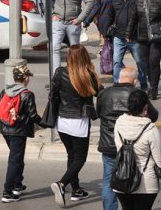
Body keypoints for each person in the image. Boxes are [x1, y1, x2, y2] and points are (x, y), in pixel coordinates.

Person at [97, 67, 159, 210]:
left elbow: (98, 113)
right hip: (131, 143)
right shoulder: (137, 94)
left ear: (119, 78)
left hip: (108, 144)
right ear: (135, 81)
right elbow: (153, 115)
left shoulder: (104, 93)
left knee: (108, 181)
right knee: (133, 176)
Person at [49, 45, 101, 205]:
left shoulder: (59, 72)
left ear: (69, 57)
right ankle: (62, 184)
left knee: (71, 155)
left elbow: (53, 94)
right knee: (79, 158)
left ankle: (76, 189)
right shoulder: (88, 74)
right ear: (85, 56)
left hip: (62, 120)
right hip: (79, 121)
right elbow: (97, 92)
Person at [0, 64, 43, 203]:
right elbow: (33, 115)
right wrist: (46, 123)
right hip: (19, 132)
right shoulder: (27, 95)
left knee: (17, 159)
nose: (29, 79)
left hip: (5, 130)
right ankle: (7, 192)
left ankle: (18, 185)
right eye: (28, 76)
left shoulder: (4, 91)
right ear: (25, 78)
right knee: (14, 161)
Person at [114, 89, 161, 210]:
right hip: (145, 182)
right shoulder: (150, 128)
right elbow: (159, 160)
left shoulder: (119, 123)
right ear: (145, 107)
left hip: (122, 179)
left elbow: (118, 147)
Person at [48, 0, 94, 72]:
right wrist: (52, 14)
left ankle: (75, 74)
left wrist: (80, 19)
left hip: (73, 23)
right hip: (57, 21)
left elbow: (90, 1)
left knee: (75, 51)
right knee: (55, 49)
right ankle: (56, 75)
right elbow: (47, 0)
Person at [110, 0, 149, 86]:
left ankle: (143, 82)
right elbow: (111, 14)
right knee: (116, 61)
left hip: (134, 36)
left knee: (140, 61)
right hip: (119, 35)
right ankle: (117, 83)